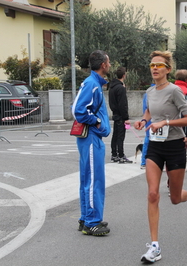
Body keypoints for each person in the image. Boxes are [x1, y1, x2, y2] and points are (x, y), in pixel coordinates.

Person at [133, 50, 187, 263]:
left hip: (175, 146)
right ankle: (155, 246)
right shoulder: (150, 92)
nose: (154, 68)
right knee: (152, 194)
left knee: (175, 198)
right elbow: (150, 112)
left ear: (167, 70)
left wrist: (167, 123)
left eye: (159, 65)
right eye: (152, 65)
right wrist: (143, 121)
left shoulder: (175, 91)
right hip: (155, 146)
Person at [72, 50, 111, 236]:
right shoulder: (92, 84)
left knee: (89, 178)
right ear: (103, 65)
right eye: (108, 62)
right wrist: (96, 122)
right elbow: (78, 110)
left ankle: (86, 217)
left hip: (91, 138)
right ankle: (91, 222)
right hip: (91, 138)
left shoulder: (94, 83)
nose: (110, 65)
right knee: (94, 179)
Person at [109, 66, 132, 164]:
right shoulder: (121, 88)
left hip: (115, 114)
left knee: (115, 135)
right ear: (124, 75)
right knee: (120, 137)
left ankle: (114, 154)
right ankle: (121, 155)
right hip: (121, 116)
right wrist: (126, 118)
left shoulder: (112, 87)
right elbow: (123, 104)